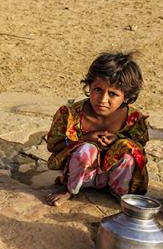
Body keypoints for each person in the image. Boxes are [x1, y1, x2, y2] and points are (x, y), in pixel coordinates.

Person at [45, 52, 149, 206]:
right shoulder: (71, 115)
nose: (102, 99)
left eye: (113, 94)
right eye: (98, 90)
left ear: (126, 96)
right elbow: (53, 146)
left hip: (115, 177)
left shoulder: (133, 119)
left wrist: (118, 140)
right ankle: (69, 189)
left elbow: (139, 151)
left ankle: (120, 194)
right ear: (89, 85)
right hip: (83, 175)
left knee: (128, 154)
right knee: (86, 150)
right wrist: (83, 140)